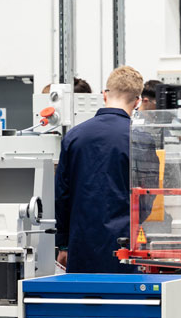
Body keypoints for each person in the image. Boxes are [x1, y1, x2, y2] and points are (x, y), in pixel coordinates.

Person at [55, 66, 154, 273]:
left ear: (104, 95)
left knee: (83, 302)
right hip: (124, 246)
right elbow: (148, 196)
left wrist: (63, 244)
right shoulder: (142, 139)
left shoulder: (74, 137)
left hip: (81, 244)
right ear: (137, 102)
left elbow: (62, 195)